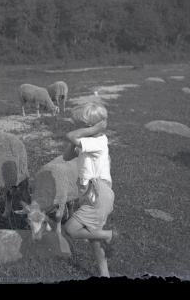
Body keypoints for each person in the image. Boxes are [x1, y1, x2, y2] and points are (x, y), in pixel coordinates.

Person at [62, 101, 119, 277]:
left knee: (70, 228)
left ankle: (110, 235)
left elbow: (69, 135)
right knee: (94, 235)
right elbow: (66, 156)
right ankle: (104, 274)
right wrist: (85, 136)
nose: (81, 128)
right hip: (91, 194)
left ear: (95, 127)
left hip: (98, 196)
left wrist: (89, 132)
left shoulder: (98, 142)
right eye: (80, 125)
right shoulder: (87, 142)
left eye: (84, 125)